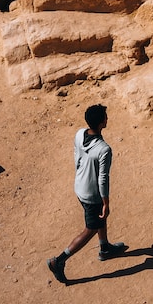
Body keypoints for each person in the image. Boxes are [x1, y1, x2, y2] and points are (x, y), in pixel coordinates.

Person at [47, 103, 126, 284]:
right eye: (105, 117)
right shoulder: (104, 149)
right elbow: (102, 179)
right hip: (92, 194)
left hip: (79, 186)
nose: (108, 118)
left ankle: (105, 248)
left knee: (100, 218)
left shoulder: (79, 133)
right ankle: (58, 261)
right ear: (101, 123)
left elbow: (76, 154)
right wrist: (106, 202)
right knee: (91, 229)